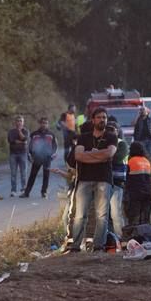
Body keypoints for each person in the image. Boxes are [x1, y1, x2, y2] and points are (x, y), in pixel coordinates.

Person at [66, 107, 117, 252]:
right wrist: (99, 156)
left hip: (103, 179)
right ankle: (75, 246)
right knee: (80, 215)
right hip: (85, 179)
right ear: (93, 119)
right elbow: (78, 156)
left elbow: (109, 154)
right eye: (99, 117)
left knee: (102, 215)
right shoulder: (84, 137)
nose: (102, 120)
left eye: (104, 117)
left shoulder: (111, 136)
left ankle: (98, 246)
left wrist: (89, 155)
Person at [21, 117, 58, 198]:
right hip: (37, 157)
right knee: (32, 175)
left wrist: (53, 154)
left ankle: (44, 192)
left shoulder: (51, 134)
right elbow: (29, 146)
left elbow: (55, 146)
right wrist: (30, 155)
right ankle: (26, 193)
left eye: (46, 123)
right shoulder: (34, 134)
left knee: (46, 176)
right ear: (40, 124)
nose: (44, 124)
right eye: (42, 123)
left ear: (48, 124)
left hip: (47, 158)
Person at [106, 120, 128, 242]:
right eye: (108, 129)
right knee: (105, 213)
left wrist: (104, 154)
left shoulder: (122, 144)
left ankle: (121, 238)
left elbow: (116, 158)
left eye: (113, 129)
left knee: (115, 213)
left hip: (117, 182)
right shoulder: (103, 143)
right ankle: (109, 238)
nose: (110, 132)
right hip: (104, 180)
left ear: (118, 131)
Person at [126, 141, 151, 226]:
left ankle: (133, 236)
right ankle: (146, 236)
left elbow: (126, 178)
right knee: (145, 218)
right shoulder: (146, 161)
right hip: (148, 192)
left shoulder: (131, 161)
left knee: (134, 218)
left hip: (135, 193)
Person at [7, 115, 29, 197]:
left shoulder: (26, 131)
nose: (19, 122)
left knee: (23, 172)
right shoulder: (11, 132)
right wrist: (22, 142)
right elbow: (11, 141)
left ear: (23, 123)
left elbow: (25, 139)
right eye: (18, 121)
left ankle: (23, 189)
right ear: (15, 122)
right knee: (13, 173)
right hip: (13, 154)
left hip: (23, 153)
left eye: (21, 121)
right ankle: (13, 190)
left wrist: (19, 132)